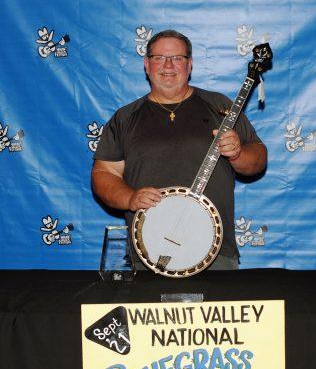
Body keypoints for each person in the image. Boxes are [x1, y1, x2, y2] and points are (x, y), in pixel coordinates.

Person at [92, 29, 267, 270]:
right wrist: (130, 198)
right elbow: (104, 175)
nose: (168, 65)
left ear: (190, 64)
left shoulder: (220, 107)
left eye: (177, 58)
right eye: (159, 58)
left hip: (215, 255)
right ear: (146, 64)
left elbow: (258, 159)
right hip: (149, 254)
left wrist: (237, 153)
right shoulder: (125, 118)